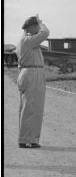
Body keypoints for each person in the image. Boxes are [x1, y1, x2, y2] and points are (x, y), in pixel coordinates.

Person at [16, 15, 49, 148]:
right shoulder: (27, 40)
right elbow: (45, 33)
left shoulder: (26, 41)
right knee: (30, 108)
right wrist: (41, 22)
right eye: (37, 25)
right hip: (31, 73)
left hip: (31, 73)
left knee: (32, 108)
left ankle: (31, 139)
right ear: (32, 27)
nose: (38, 28)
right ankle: (25, 139)